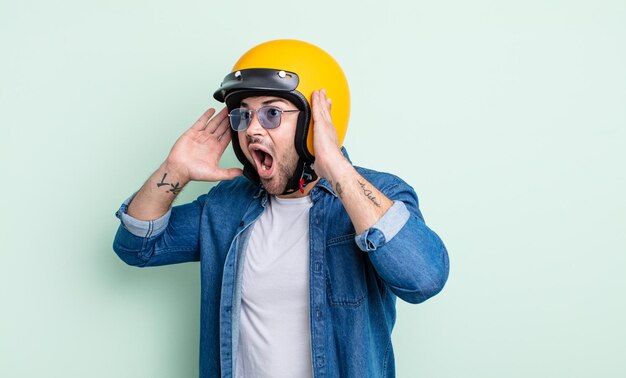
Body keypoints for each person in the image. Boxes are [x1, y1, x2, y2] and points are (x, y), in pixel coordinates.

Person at [113, 39, 449, 378]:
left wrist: (336, 168)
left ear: (316, 123)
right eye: (244, 114)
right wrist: (176, 170)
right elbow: (136, 246)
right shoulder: (225, 205)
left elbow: (423, 279)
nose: (253, 129)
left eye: (272, 113)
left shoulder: (380, 195)